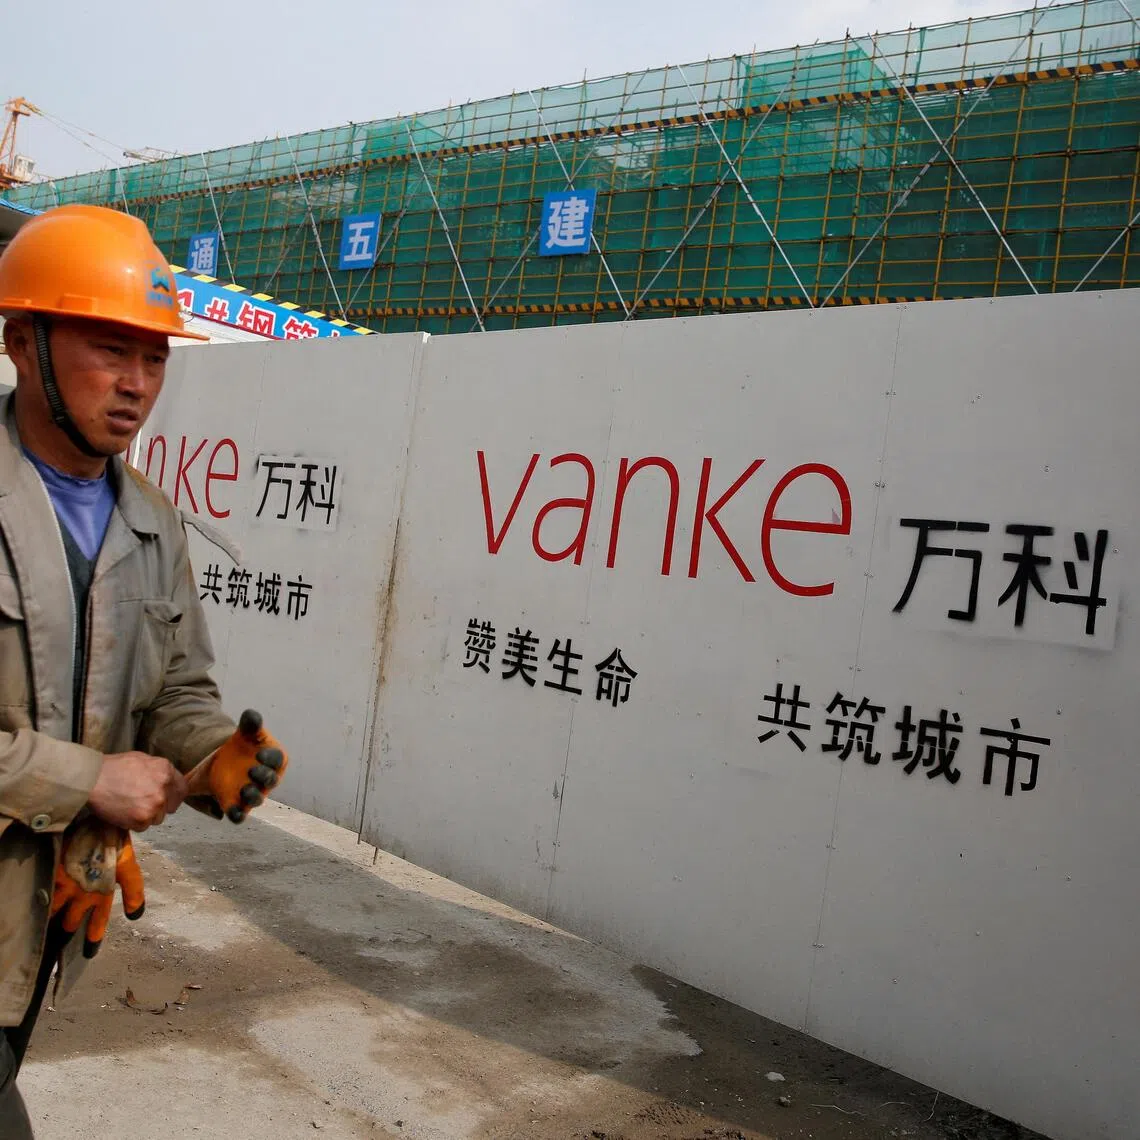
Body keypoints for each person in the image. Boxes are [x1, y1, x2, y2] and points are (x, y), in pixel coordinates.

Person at [0, 205, 289, 1138]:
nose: (136, 384)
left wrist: (214, 760)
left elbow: (177, 692)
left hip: (39, 919)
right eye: (108, 347)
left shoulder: (153, 523)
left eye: (155, 356)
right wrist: (91, 780)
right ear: (21, 340)